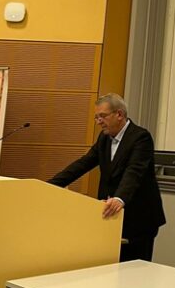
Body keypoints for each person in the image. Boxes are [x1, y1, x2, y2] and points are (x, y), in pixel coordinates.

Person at [48, 93, 166, 262]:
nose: (98, 122)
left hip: (138, 219)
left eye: (102, 116)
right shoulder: (104, 138)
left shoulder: (140, 137)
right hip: (110, 216)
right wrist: (50, 185)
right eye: (96, 117)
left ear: (119, 114)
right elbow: (83, 164)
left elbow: (134, 172)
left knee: (134, 271)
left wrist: (119, 198)